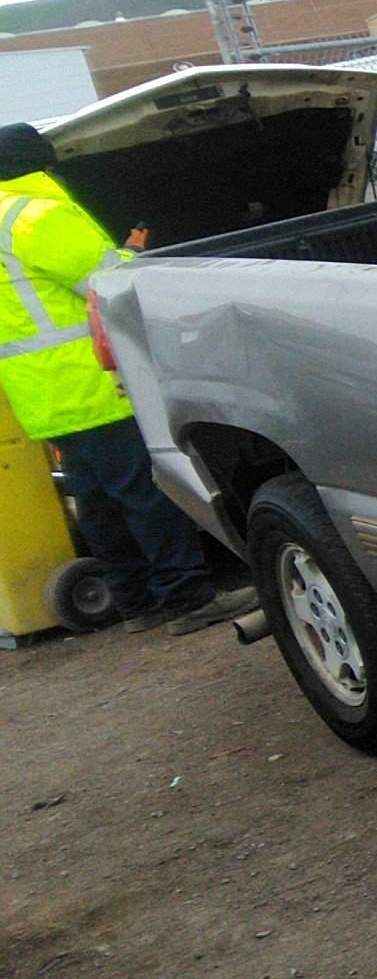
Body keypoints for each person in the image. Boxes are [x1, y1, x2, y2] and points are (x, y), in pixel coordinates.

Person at [0, 121, 252, 635]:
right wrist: (135, 252)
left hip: (44, 394)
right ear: (43, 164)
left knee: (96, 500)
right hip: (93, 381)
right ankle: (185, 596)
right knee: (143, 488)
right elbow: (107, 283)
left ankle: (135, 601)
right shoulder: (37, 215)